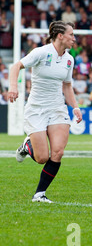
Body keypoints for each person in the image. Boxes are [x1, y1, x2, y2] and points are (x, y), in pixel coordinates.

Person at [7, 21, 83, 203]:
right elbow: (15, 66)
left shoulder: (69, 59)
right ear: (60, 36)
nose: (74, 38)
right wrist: (12, 87)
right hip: (36, 109)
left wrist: (75, 107)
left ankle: (39, 194)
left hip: (57, 108)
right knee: (42, 158)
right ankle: (27, 146)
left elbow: (67, 85)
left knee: (57, 152)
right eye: (71, 34)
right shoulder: (41, 52)